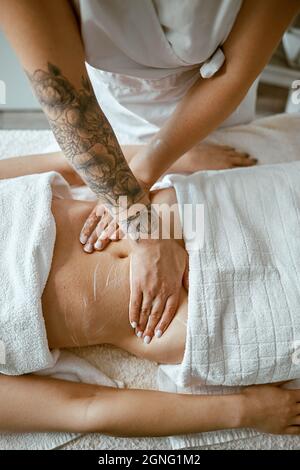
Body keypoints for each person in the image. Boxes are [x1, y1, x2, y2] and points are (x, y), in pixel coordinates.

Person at [1, 0, 299, 342]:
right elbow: (70, 108)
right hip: (120, 113)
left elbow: (236, 70)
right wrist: (145, 233)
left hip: (214, 89)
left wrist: (166, 160)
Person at [1, 151, 300, 437]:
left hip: (181, 212)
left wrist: (185, 156)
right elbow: (82, 407)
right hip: (189, 316)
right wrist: (245, 411)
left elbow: (72, 161)